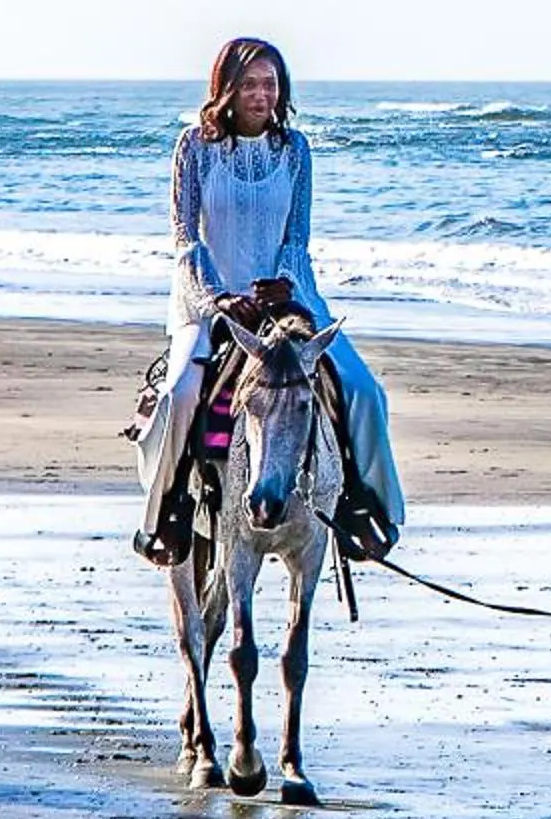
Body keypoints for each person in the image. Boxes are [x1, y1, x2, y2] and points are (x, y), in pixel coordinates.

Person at [130, 37, 403, 565]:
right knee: (179, 397)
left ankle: (369, 510)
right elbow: (187, 237)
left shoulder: (295, 150)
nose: (262, 95)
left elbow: (297, 237)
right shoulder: (193, 147)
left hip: (290, 298)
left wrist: (285, 285)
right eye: (250, 84)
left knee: (364, 391)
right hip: (212, 305)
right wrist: (220, 299)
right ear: (226, 90)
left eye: (270, 84)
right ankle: (163, 517)